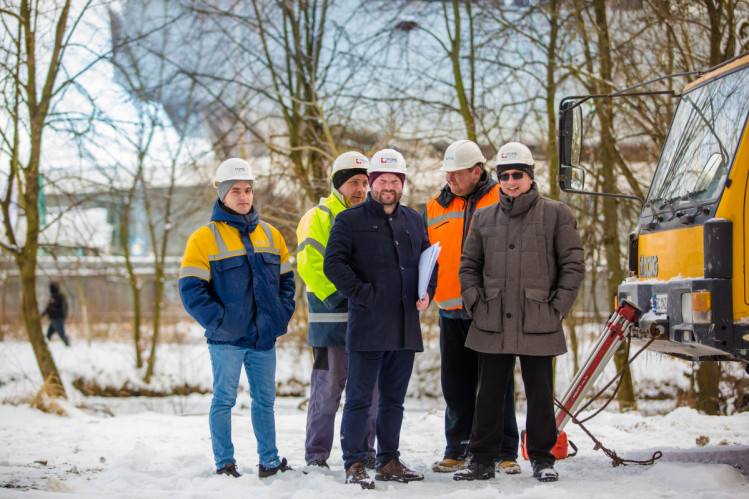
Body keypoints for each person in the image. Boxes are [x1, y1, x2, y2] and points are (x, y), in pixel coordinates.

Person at [453, 142, 585, 483]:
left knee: (540, 394)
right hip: (492, 318)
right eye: (505, 176)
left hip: (539, 317)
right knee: (489, 394)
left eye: (517, 175)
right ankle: (481, 460)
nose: (511, 182)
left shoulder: (557, 214)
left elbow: (573, 265)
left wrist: (559, 307)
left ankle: (542, 458)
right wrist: (475, 303)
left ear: (530, 176)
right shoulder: (484, 217)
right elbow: (468, 265)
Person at [323, 148, 437, 489]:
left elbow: (429, 261)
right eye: (382, 180)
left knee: (393, 400)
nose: (388, 186)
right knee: (359, 399)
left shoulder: (414, 219)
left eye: (395, 181)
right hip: (368, 325)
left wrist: (428, 291)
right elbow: (333, 264)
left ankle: (389, 460)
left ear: (402, 183)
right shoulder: (350, 220)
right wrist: (364, 294)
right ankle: (355, 462)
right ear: (372, 181)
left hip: (405, 326)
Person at [179, 158, 295, 479]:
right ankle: (225, 463)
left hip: (263, 337)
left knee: (265, 402)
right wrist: (221, 322)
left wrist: (280, 316)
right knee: (224, 400)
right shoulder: (203, 238)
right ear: (222, 194)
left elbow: (287, 282)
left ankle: (269, 462)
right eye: (236, 191)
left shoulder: (272, 235)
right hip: (227, 340)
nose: (243, 197)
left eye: (247, 190)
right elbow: (191, 291)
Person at [424, 140, 521, 475]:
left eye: (457, 172)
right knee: (456, 386)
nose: (449, 178)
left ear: (477, 171)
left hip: (491, 310)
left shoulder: (503, 197)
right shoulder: (434, 207)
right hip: (450, 309)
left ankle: (505, 451)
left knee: (497, 386)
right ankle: (458, 448)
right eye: (447, 172)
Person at [296, 151, 378, 470]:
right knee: (327, 392)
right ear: (338, 184)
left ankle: (365, 451)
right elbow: (310, 266)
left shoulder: (373, 216)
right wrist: (348, 296)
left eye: (365, 183)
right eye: (354, 183)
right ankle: (317, 455)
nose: (361, 189)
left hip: (368, 324)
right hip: (330, 324)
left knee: (368, 393)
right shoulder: (318, 217)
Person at [42, 282, 69, 346]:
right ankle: (46, 345)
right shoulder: (57, 296)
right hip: (54, 318)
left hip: (58, 318)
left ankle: (68, 345)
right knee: (49, 334)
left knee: (61, 333)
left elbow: (51, 307)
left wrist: (65, 315)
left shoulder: (57, 297)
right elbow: (49, 307)